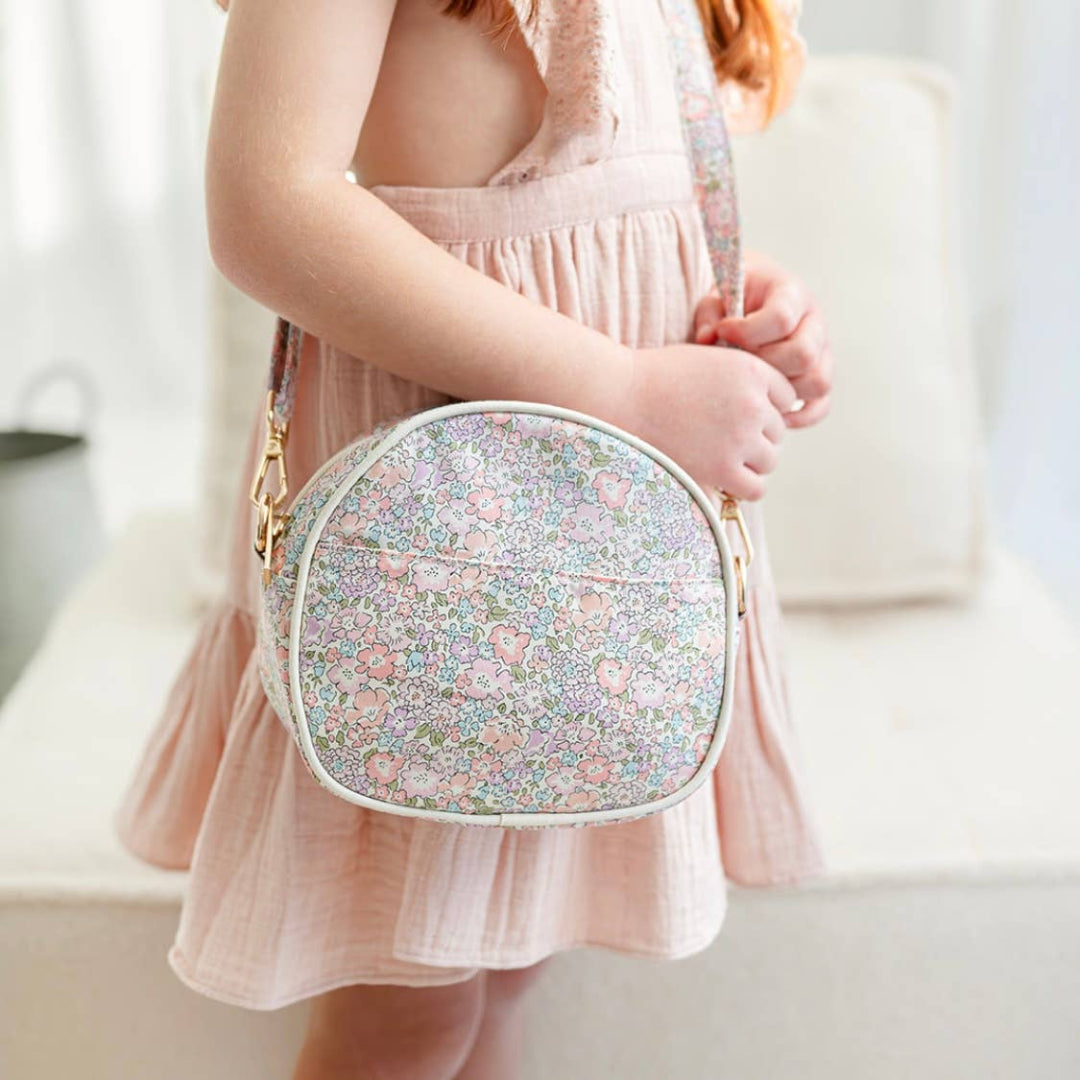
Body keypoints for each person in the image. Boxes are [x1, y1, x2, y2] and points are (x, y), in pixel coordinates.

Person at [116, 0, 833, 1076]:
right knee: (409, 1012)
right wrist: (626, 388)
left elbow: (593, 199)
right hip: (442, 559)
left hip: (604, 564)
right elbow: (267, 203)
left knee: (505, 971)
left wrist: (737, 293)